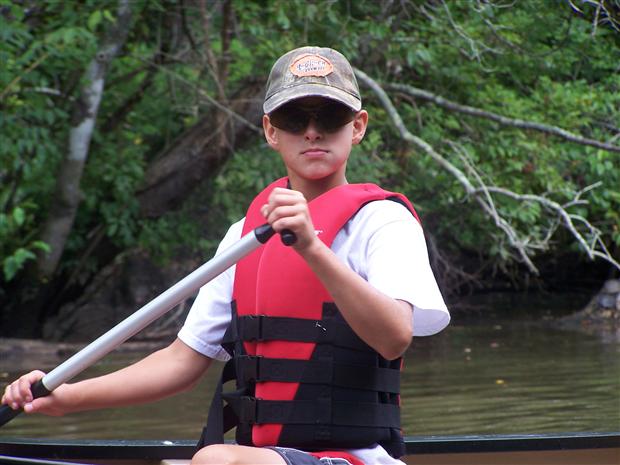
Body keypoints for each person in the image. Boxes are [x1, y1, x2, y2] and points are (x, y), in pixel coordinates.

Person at [2, 46, 450, 465]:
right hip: (265, 457)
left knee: (215, 459)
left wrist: (312, 248)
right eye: (294, 118)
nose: (312, 131)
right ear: (272, 131)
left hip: (355, 457)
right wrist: (66, 398)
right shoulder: (243, 237)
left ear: (357, 126)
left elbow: (394, 336)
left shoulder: (383, 223)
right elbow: (181, 362)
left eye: (330, 116)